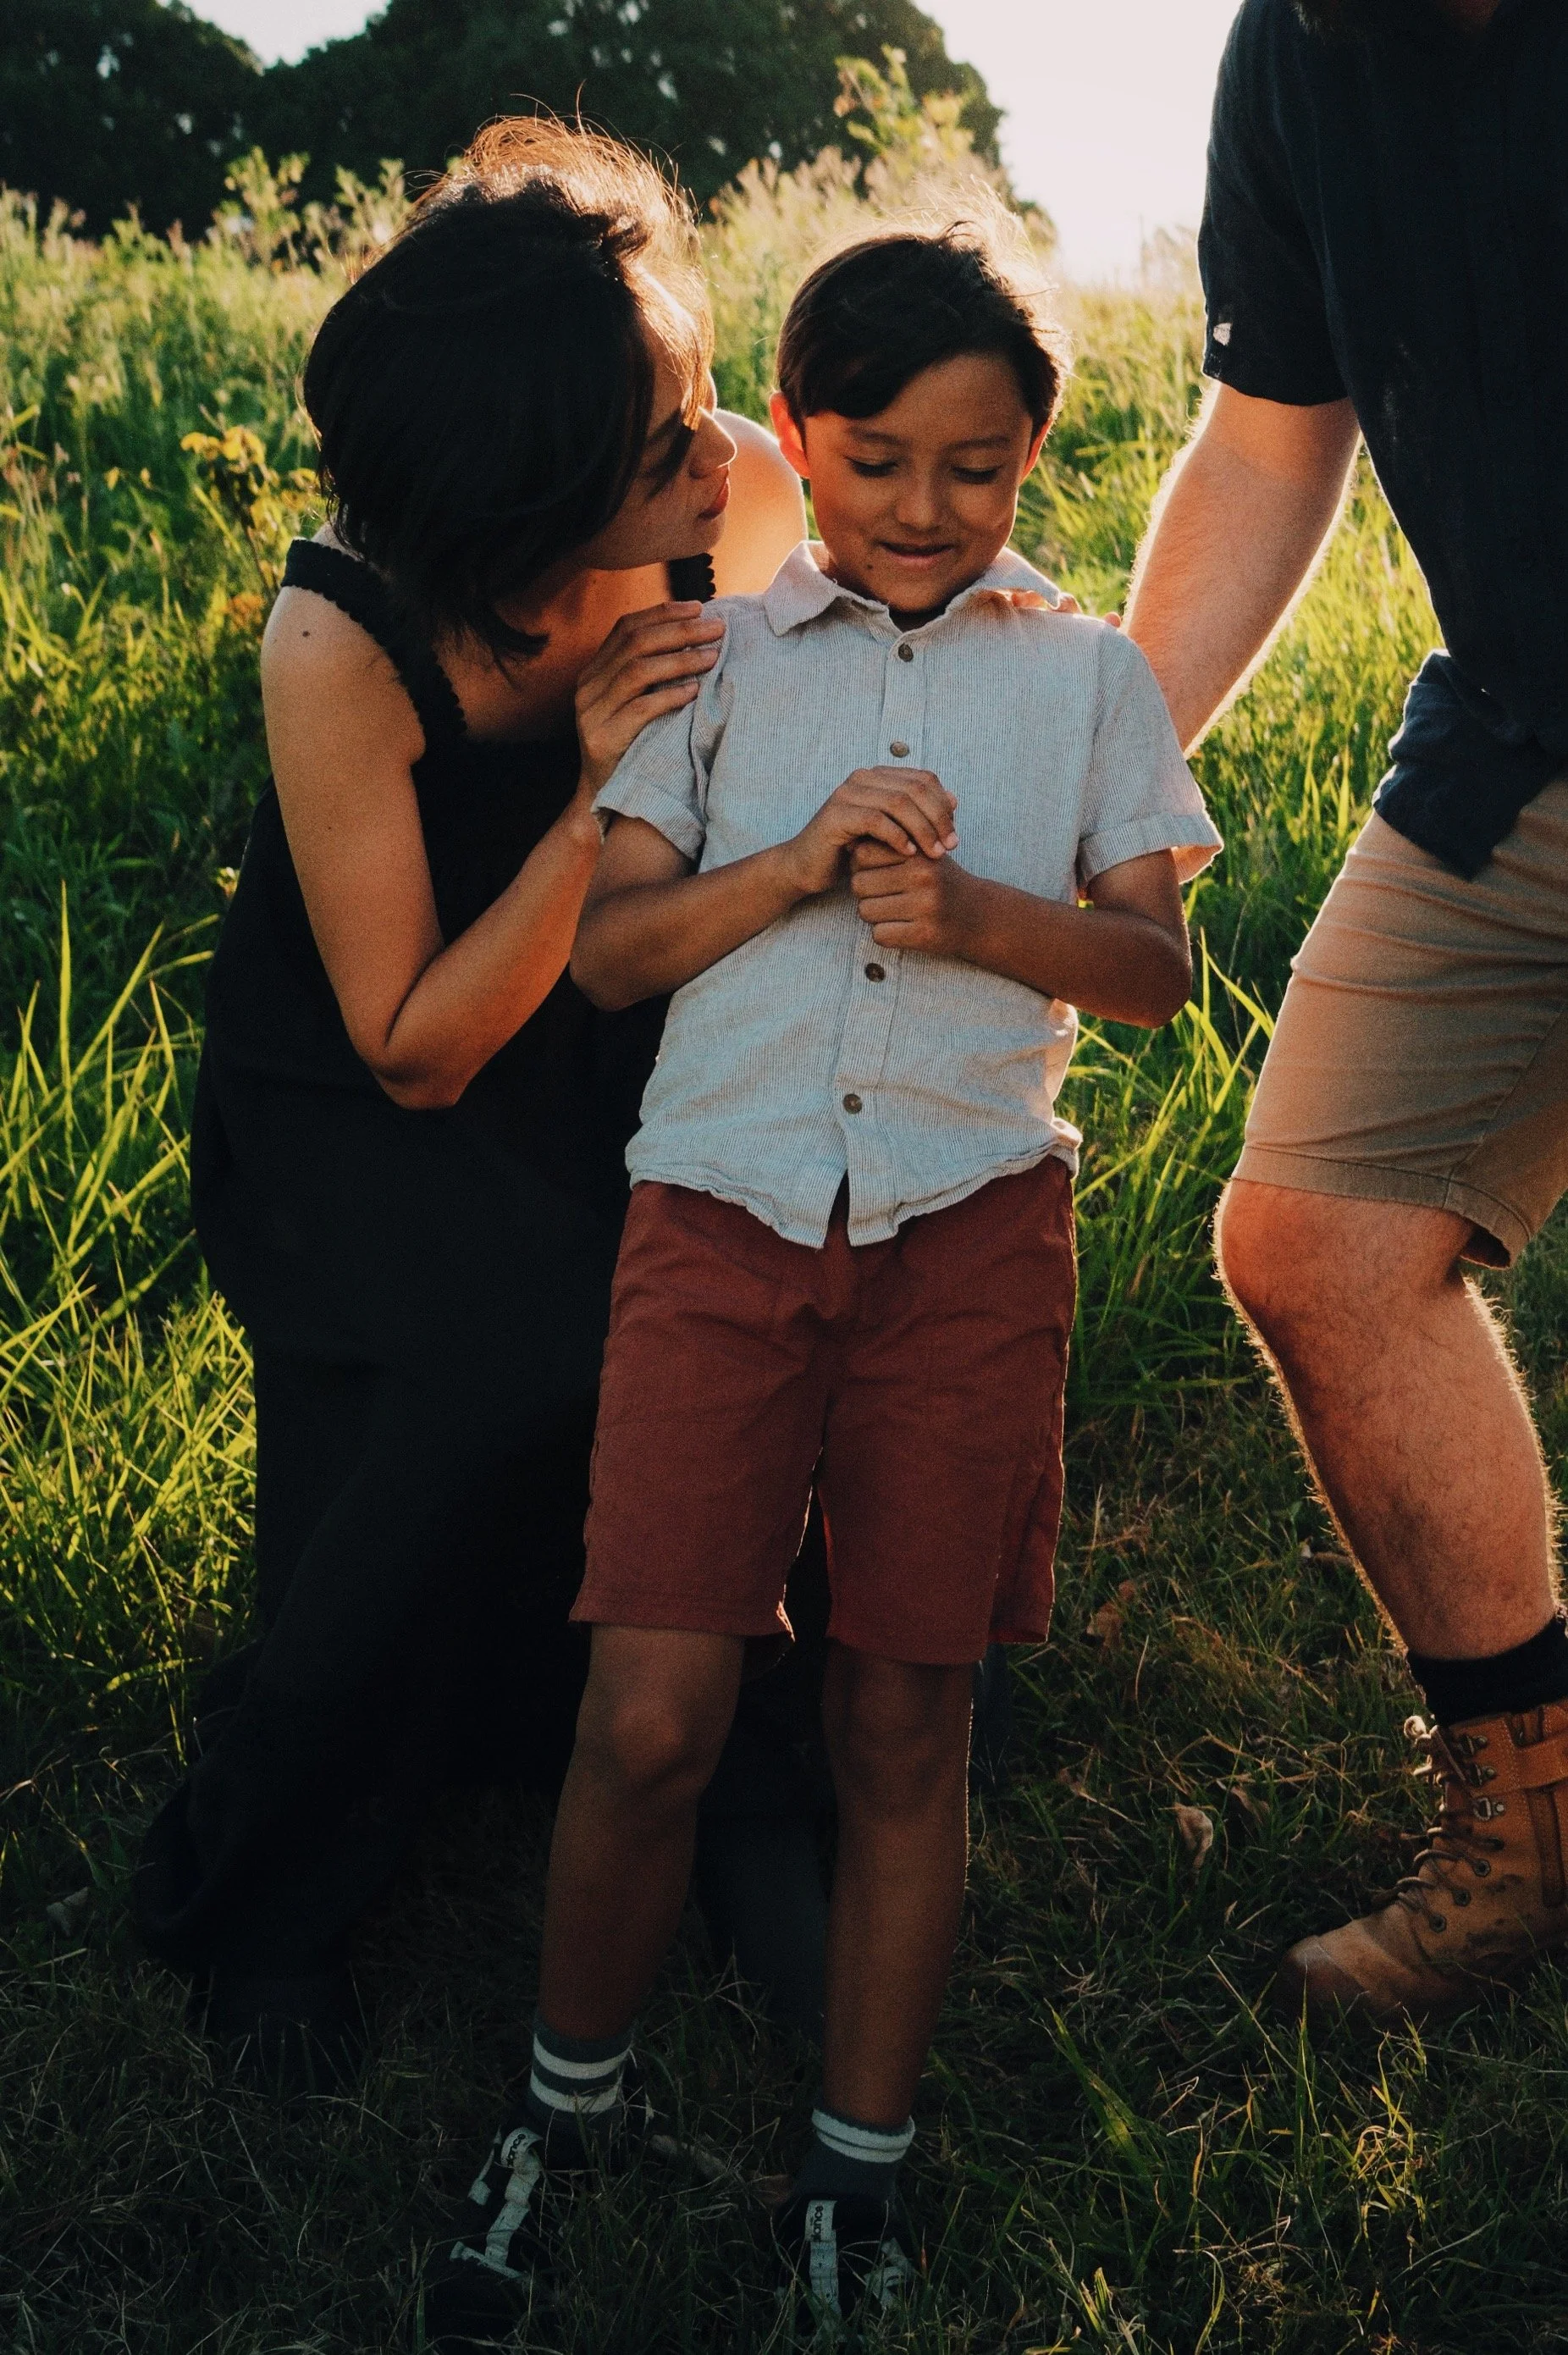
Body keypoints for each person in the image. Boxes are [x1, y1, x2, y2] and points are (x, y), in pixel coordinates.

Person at [428, 214, 1220, 2348]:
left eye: (976, 467)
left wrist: (973, 910)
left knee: (903, 1712)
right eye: (873, 458)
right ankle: (554, 2114)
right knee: (653, 1710)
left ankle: (850, 2177)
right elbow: (608, 955)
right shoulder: (720, 665)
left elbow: (1154, 970)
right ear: (796, 437)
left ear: (1036, 458)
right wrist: (794, 871)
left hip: (970, 1233)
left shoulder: (1084, 678)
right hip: (720, 1215)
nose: (920, 507)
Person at [130, 117, 841, 2090]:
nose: (718, 458)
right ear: (518, 499)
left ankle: (732, 1793)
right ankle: (277, 1883)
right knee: (500, 1351)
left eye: (700, 403)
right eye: (659, 449)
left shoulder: (741, 499)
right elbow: (415, 1041)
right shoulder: (343, 635)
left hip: (624, 1013)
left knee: (728, 1294)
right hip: (376, 1083)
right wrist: (605, 777)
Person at [1124, 0, 1568, 2024]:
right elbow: (1264, 437)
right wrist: (1101, 789)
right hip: (1519, 740)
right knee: (1314, 1240)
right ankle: (1533, 1843)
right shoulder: (1292, 54)